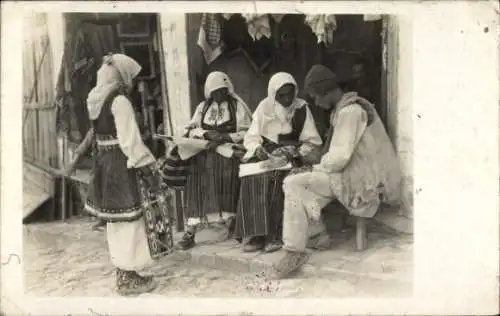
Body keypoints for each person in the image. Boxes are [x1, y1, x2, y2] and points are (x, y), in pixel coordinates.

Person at [269, 64, 402, 279]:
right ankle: (316, 236)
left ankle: (295, 251)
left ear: (324, 91)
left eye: (314, 96)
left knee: (293, 182)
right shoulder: (346, 108)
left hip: (362, 181)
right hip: (354, 174)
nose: (316, 102)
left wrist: (314, 167)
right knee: (299, 183)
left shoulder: (350, 111)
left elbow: (339, 158)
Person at [65, 53, 164, 295]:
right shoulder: (119, 102)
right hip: (121, 164)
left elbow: (98, 135)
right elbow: (130, 142)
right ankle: (128, 277)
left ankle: (124, 271)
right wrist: (149, 164)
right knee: (129, 219)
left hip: (105, 163)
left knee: (115, 221)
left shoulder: (94, 97)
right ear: (122, 77)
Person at [235, 72, 323, 253]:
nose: (287, 98)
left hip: (293, 157)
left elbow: (312, 142)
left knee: (275, 178)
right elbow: (251, 137)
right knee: (251, 177)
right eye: (282, 95)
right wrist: (257, 149)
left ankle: (273, 236)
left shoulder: (301, 109)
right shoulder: (264, 108)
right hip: (267, 155)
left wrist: (294, 152)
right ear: (273, 94)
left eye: (291, 93)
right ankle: (254, 235)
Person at [176, 71, 253, 250]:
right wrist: (206, 134)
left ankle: (234, 224)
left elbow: (248, 131)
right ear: (209, 92)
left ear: (228, 89)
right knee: (195, 182)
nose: (220, 95)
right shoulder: (203, 108)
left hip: (228, 152)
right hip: (204, 153)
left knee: (230, 178)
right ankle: (190, 232)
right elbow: (190, 129)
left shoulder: (237, 106)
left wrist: (225, 137)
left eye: (223, 90)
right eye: (216, 91)